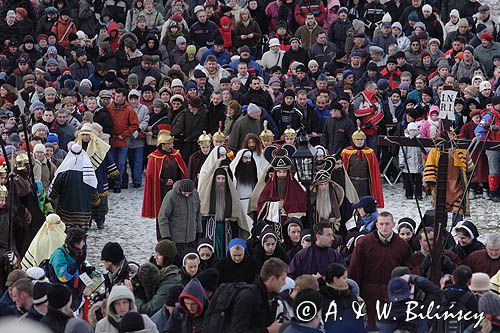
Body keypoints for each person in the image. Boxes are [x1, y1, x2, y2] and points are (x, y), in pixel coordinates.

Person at [348, 211, 412, 329]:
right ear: (376, 224)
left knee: (390, 326)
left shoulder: (402, 245)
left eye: (387, 224)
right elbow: (355, 268)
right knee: (371, 325)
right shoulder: (364, 243)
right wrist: (354, 292)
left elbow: (407, 270)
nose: (384, 227)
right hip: (368, 292)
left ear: (393, 224)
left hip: (392, 294)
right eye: (381, 224)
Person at [142, 127, 187, 239]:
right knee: (162, 215)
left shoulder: (176, 154)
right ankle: (162, 237)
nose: (172, 146)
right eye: (169, 144)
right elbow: (151, 176)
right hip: (161, 191)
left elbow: (183, 171)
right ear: (163, 145)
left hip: (176, 190)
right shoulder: (154, 157)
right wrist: (164, 181)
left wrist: (178, 183)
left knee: (176, 213)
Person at [198, 165, 249, 258]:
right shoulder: (207, 192)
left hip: (226, 225)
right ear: (214, 179)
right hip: (211, 224)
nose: (221, 181)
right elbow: (203, 209)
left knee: (226, 247)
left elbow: (237, 210)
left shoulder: (231, 192)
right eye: (218, 178)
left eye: (223, 178)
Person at [228, 258, 288, 333]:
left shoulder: (271, 297)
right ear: (273, 279)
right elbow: (238, 330)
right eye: (283, 279)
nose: (284, 283)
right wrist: (268, 330)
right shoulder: (249, 296)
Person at [48, 143, 100, 229]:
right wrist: (96, 202)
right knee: (81, 236)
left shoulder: (64, 172)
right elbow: (93, 189)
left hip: (66, 211)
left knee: (67, 234)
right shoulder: (88, 173)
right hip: (84, 211)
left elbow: (55, 189)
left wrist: (51, 199)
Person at [77, 123, 119, 229]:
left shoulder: (100, 146)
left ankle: (100, 221)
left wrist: (112, 173)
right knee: (86, 201)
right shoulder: (77, 148)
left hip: (99, 176)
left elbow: (108, 159)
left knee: (101, 200)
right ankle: (88, 220)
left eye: (87, 134)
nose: (85, 137)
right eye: (83, 135)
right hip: (84, 179)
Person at [257, 154, 306, 240]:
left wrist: (288, 204)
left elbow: (302, 203)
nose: (282, 175)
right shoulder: (269, 187)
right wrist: (274, 206)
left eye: (284, 172)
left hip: (292, 228)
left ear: (288, 173)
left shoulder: (295, 187)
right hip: (274, 226)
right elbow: (261, 204)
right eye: (279, 172)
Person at [49, 227, 93, 312]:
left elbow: (75, 269)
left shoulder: (75, 252)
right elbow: (63, 277)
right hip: (63, 298)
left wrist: (84, 269)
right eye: (82, 241)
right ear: (76, 243)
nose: (84, 244)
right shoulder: (59, 255)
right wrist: (76, 264)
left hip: (75, 295)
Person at [341, 128, 384, 207]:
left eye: (361, 139)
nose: (359, 141)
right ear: (353, 140)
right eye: (357, 139)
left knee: (364, 205)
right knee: (352, 205)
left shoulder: (370, 152)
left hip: (365, 183)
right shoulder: (346, 152)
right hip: (351, 183)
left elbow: (374, 171)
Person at [107, 88, 139, 192]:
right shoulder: (109, 108)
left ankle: (118, 184)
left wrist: (124, 134)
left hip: (122, 140)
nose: (116, 98)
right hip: (111, 140)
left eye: (119, 96)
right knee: (112, 163)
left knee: (121, 163)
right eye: (115, 96)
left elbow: (135, 125)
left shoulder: (129, 110)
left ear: (124, 97)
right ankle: (112, 182)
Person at [158, 179, 201, 254]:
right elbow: (163, 217)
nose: (187, 195)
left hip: (191, 239)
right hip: (175, 239)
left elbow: (198, 216)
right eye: (185, 193)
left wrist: (199, 232)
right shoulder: (171, 196)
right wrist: (166, 236)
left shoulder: (195, 195)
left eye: (189, 193)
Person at [319, 263, 366, 332]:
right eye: (344, 278)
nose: (347, 280)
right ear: (335, 279)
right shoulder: (321, 297)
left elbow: (359, 320)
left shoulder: (351, 295)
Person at [310, 169, 358, 236]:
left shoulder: (338, 195)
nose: (323, 187)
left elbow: (347, 213)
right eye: (321, 184)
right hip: (317, 233)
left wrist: (352, 233)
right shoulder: (312, 198)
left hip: (336, 233)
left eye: (325, 184)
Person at [229, 149, 260, 232]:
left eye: (249, 158)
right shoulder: (234, 172)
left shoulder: (254, 171)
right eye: (245, 158)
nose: (248, 161)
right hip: (239, 203)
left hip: (251, 204)